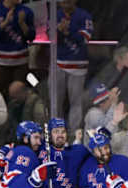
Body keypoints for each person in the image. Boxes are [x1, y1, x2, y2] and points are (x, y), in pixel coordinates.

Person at [55, 0, 93, 136]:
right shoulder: (55, 15)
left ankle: (73, 135)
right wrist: (59, 30)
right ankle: (56, 132)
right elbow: (50, 37)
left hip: (78, 65)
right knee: (55, 102)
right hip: (58, 64)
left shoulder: (84, 16)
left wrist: (68, 30)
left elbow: (85, 38)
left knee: (76, 102)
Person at [0, 0, 36, 98]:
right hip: (0, 61)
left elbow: (32, 37)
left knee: (19, 93)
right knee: (1, 93)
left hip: (21, 60)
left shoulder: (26, 11)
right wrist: (5, 23)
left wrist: (22, 24)